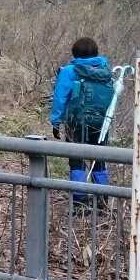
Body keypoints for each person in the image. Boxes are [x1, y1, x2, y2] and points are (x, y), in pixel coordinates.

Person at [49, 37, 115, 202]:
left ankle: (79, 201)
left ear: (75, 53)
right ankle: (102, 200)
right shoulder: (105, 71)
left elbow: (60, 98)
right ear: (96, 53)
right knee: (99, 160)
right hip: (101, 123)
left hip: (76, 122)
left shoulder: (70, 71)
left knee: (76, 160)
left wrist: (56, 122)